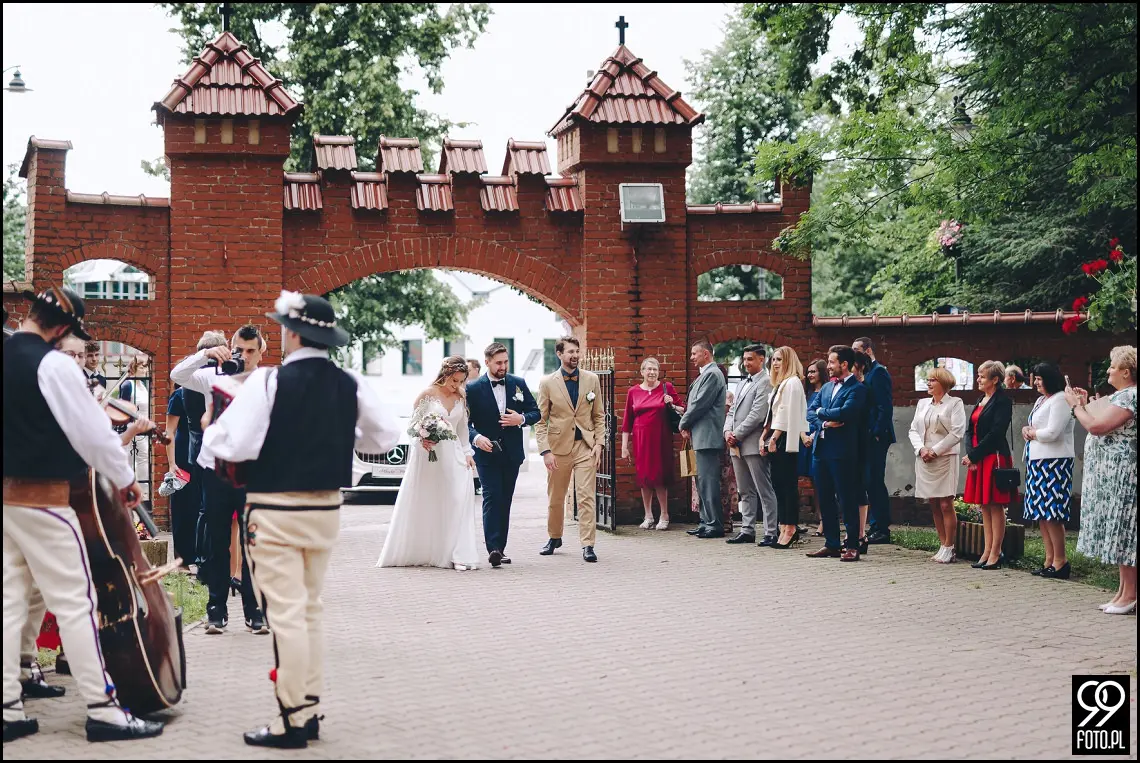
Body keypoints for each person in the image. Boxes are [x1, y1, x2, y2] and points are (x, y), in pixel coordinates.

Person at [202, 291, 398, 747]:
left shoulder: (269, 383)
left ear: (291, 333)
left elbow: (233, 446)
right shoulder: (349, 381)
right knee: (309, 608)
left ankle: (290, 717)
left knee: (285, 613)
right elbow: (383, 436)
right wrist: (337, 432)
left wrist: (213, 425)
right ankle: (306, 705)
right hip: (326, 507)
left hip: (274, 508)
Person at [3, 285, 163, 743]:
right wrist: (125, 479)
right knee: (77, 602)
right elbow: (92, 434)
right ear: (60, 327)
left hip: (6, 498)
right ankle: (104, 708)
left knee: (8, 599)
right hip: (44, 498)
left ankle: (8, 708)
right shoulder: (52, 365)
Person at [172, 325, 269, 634]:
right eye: (240, 349)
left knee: (251, 543)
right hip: (215, 471)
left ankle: (254, 611)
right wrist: (204, 355)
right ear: (231, 347)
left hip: (252, 474)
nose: (246, 356)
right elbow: (178, 376)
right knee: (217, 543)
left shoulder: (266, 381)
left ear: (260, 352)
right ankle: (216, 610)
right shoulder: (214, 376)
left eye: (252, 351)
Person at [378, 357, 483, 570]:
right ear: (444, 374)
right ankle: (428, 549)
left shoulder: (461, 396)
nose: (457, 386)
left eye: (461, 381)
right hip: (430, 457)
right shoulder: (427, 395)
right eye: (454, 381)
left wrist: (468, 453)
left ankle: (457, 553)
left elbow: (462, 430)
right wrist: (421, 438)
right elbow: (413, 427)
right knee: (430, 500)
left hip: (453, 455)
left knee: (458, 498)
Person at [1068, 346, 1136, 615]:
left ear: (1126, 372)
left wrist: (1075, 407)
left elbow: (1097, 427)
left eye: (1112, 366)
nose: (1108, 370)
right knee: (1120, 532)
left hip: (1125, 475)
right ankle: (1123, 591)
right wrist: (1084, 406)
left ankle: (1129, 594)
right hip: (1112, 475)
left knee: (1126, 533)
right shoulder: (1121, 395)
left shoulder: (1130, 396)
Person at [466, 343, 541, 566]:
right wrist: (477, 438)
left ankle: (501, 547)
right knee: (491, 497)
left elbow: (536, 411)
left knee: (505, 500)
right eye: (498, 362)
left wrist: (522, 419)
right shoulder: (473, 389)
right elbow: (464, 424)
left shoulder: (518, 384)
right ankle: (494, 549)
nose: (503, 366)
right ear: (487, 362)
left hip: (511, 453)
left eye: (505, 362)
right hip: (486, 454)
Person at [535, 337, 608, 562]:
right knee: (556, 498)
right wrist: (545, 451)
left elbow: (598, 414)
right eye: (570, 352)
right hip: (558, 449)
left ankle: (588, 544)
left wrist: (599, 443)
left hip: (585, 446)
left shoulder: (591, 379)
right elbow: (540, 421)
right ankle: (554, 536)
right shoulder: (547, 382)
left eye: (577, 351)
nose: (575, 356)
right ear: (559, 354)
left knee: (586, 496)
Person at [806, 345, 868, 561]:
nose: (828, 366)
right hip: (821, 450)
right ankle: (831, 543)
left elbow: (846, 413)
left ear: (844, 364)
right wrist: (824, 422)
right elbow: (810, 412)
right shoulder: (825, 389)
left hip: (842, 452)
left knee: (846, 498)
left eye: (832, 362)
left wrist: (822, 412)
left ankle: (852, 545)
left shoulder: (857, 389)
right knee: (825, 499)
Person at [1022, 362, 1076, 579]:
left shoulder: (1061, 399)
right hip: (1037, 460)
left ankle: (1061, 561)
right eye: (1034, 379)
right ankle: (1049, 559)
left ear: (1049, 378)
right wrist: (1028, 430)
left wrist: (1033, 433)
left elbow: (1053, 432)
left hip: (1056, 461)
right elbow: (1036, 427)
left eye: (1039, 379)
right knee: (1042, 514)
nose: (1035, 383)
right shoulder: (1041, 400)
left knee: (1053, 513)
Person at [909, 367, 967, 563]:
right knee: (933, 502)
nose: (929, 383)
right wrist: (921, 450)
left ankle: (950, 546)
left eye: (933, 380)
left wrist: (935, 450)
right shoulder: (923, 403)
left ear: (943, 383)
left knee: (945, 503)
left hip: (944, 457)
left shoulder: (955, 403)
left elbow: (957, 432)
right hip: (924, 457)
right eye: (928, 380)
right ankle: (942, 544)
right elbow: (913, 430)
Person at [963, 361, 1015, 569]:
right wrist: (971, 454)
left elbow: (996, 433)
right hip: (978, 457)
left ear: (995, 380)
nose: (978, 379)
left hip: (993, 456)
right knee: (984, 505)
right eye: (978, 375)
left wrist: (974, 455)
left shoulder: (1003, 401)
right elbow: (970, 430)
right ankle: (985, 550)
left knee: (995, 505)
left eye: (982, 376)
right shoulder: (980, 400)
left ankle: (996, 552)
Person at [621, 357, 683, 530]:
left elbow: (683, 408)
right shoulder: (633, 392)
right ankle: (648, 515)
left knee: (660, 476)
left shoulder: (667, 388)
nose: (652, 372)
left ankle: (664, 515)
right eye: (648, 369)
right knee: (644, 477)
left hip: (661, 437)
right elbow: (627, 421)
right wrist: (624, 447)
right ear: (642, 372)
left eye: (655, 369)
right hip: (641, 439)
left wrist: (672, 404)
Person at [723, 345, 776, 546]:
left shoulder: (766, 382)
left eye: (750, 359)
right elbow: (732, 411)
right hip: (736, 444)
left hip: (753, 443)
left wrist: (736, 434)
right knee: (744, 490)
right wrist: (727, 431)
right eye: (744, 359)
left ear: (761, 360)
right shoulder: (742, 383)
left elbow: (758, 414)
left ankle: (771, 531)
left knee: (764, 489)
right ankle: (747, 529)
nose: (746, 363)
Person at [678, 342, 728, 539]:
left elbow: (700, 404)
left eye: (694, 353)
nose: (691, 357)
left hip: (707, 436)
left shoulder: (712, 374)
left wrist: (683, 423)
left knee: (708, 482)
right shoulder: (706, 374)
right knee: (701, 482)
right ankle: (705, 521)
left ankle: (715, 524)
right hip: (701, 435)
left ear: (706, 354)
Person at [761, 347, 810, 548]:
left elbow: (786, 413)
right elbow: (771, 415)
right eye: (773, 359)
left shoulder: (793, 382)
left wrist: (774, 438)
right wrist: (764, 436)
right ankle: (783, 526)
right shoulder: (780, 384)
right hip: (776, 436)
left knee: (787, 485)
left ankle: (790, 527)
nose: (775, 363)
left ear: (789, 361)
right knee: (778, 484)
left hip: (785, 438)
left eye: (779, 359)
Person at [187, 330, 227, 575]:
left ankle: (203, 559)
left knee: (203, 507)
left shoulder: (192, 378)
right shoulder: (207, 377)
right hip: (208, 445)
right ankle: (206, 560)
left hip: (194, 444)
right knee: (208, 508)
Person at [852, 337, 895, 545]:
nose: (853, 353)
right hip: (866, 435)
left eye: (856, 349)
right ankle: (874, 525)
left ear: (867, 350)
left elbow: (884, 406)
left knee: (874, 480)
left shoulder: (879, 372)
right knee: (868, 480)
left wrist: (877, 432)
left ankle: (882, 528)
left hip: (877, 435)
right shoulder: (865, 373)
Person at [163, 385, 197, 567]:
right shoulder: (179, 395)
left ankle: (201, 556)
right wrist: (171, 463)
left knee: (203, 506)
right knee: (184, 506)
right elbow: (170, 432)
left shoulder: (208, 391)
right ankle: (183, 559)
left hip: (203, 453)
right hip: (183, 456)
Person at [801, 359, 827, 537]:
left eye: (813, 371)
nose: (810, 375)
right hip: (804, 440)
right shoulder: (806, 393)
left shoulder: (827, 392)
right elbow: (801, 416)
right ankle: (818, 517)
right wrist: (803, 435)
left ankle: (824, 521)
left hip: (820, 438)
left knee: (821, 482)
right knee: (810, 481)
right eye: (808, 372)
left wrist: (813, 435)